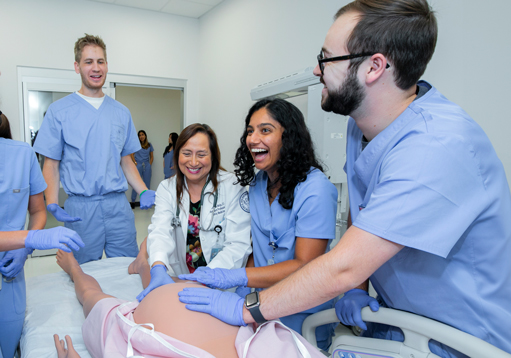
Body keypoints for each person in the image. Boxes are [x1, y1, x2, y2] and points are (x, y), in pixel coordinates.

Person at [181, 1, 511, 358]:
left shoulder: (436, 146)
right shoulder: (360, 128)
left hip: (463, 341)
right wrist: (358, 287)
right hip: (397, 326)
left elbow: (343, 266)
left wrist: (245, 308)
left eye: (326, 59)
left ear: (374, 67)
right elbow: (360, 214)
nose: (317, 71)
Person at [179, 99, 338, 350]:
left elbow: (305, 265)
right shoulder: (257, 184)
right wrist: (243, 291)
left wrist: (236, 276)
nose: (253, 139)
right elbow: (256, 247)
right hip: (258, 303)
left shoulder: (315, 189)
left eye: (265, 130)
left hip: (302, 309)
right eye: (250, 131)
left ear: (289, 136)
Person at [53, 247, 324, 358]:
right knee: (161, 281)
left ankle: (77, 269)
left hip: (145, 323)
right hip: (221, 310)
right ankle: (146, 263)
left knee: (93, 297)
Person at [33, 34, 155, 265]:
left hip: (118, 206)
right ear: (77, 66)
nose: (96, 68)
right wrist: (51, 202)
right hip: (81, 208)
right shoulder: (59, 111)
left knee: (127, 267)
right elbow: (51, 164)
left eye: (100, 61)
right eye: (88, 62)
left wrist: (143, 190)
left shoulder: (121, 112)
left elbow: (126, 161)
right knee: (81, 273)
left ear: (107, 65)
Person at [0, 110, 85, 358]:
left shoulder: (21, 153)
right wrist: (30, 239)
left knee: (10, 341)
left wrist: (23, 248)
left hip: (9, 271)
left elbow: (37, 212)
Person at [136, 123, 251, 302]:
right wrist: (158, 266)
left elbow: (239, 244)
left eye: (202, 154)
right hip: (183, 276)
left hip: (222, 279)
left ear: (213, 156)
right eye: (187, 153)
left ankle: (141, 259)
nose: (194, 162)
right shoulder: (167, 188)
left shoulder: (232, 186)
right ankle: (142, 260)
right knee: (150, 268)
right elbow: (160, 231)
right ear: (177, 154)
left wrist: (209, 276)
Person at [130, 130, 154, 205]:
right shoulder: (136, 145)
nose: (141, 136)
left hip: (147, 165)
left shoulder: (149, 145)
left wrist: (149, 164)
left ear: (145, 136)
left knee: (147, 184)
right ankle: (133, 201)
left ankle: (147, 202)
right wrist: (135, 163)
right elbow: (131, 154)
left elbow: (152, 156)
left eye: (142, 135)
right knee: (136, 183)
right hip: (139, 165)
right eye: (140, 135)